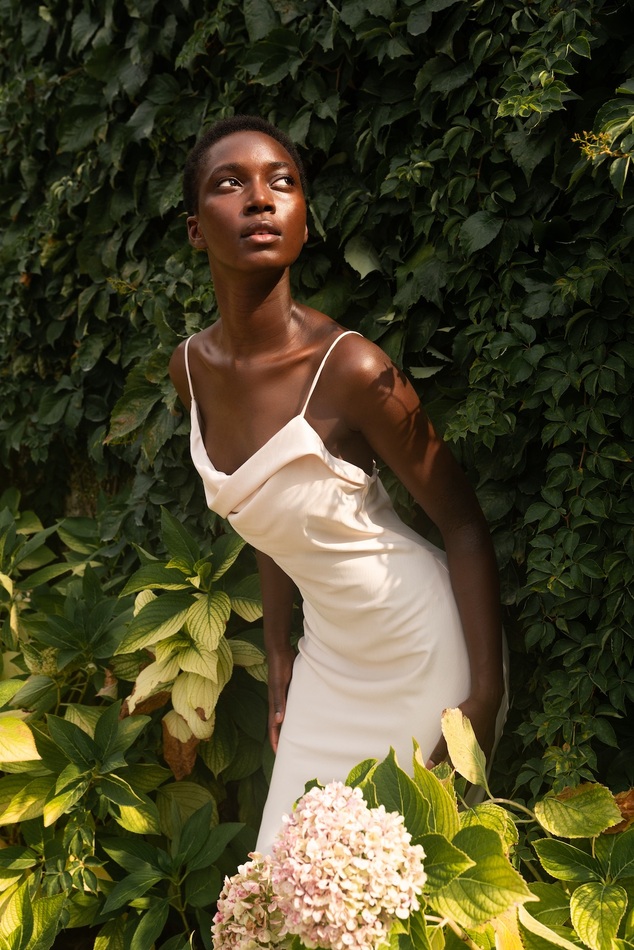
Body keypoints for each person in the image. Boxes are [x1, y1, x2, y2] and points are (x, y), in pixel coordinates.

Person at [169, 115, 507, 854]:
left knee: (398, 895)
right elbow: (267, 514)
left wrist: (483, 699)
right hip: (327, 659)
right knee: (280, 881)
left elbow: (463, 524)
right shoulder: (190, 368)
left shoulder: (351, 369)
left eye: (282, 182)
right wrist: (279, 655)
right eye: (231, 184)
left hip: (419, 653)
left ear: (302, 217)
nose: (261, 199)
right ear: (196, 229)